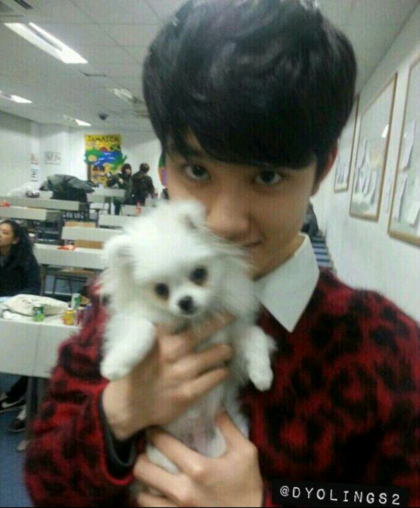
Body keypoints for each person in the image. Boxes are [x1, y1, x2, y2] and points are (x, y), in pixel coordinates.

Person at [25, 1, 420, 507]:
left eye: (267, 176)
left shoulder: (383, 345)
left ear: (321, 171)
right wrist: (118, 412)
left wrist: (270, 500)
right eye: (197, 171)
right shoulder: (126, 302)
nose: (225, 222)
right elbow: (43, 480)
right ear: (165, 166)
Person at [0, 220, 41, 433]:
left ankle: (21, 395)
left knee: (31, 352)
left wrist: (9, 301)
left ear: (15, 239)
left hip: (19, 310)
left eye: (4, 232)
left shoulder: (26, 259)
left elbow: (34, 288)